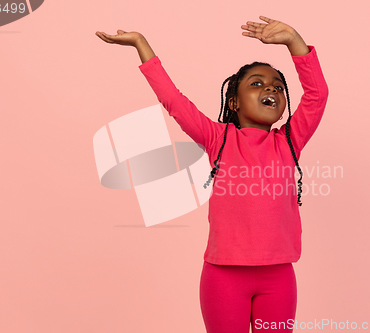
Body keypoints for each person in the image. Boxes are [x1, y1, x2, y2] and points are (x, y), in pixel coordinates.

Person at [96, 15, 329, 333]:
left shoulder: (289, 142)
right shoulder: (218, 138)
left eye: (277, 86)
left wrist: (294, 42)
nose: (270, 89)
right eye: (256, 84)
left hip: (280, 276)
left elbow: (317, 96)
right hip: (223, 276)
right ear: (233, 101)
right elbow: (174, 101)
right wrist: (141, 45)